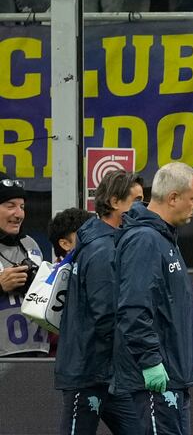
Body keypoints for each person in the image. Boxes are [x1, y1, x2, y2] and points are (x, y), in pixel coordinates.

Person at [113, 162, 193, 435]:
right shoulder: (145, 240)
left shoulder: (163, 238)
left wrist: (187, 358)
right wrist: (150, 361)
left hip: (173, 376)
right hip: (155, 380)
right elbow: (133, 309)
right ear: (173, 197)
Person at [55, 169, 144, 434]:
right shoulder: (103, 249)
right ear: (115, 202)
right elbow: (107, 313)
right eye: (137, 201)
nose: (143, 208)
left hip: (109, 372)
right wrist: (139, 355)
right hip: (89, 371)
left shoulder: (104, 241)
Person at [0, 173, 50, 357]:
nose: (19, 213)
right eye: (10, 206)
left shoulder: (30, 244)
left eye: (22, 207)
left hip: (37, 351)